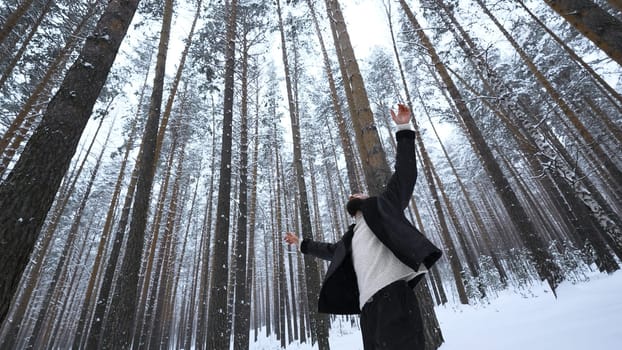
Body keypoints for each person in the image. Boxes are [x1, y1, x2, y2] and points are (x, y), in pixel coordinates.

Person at [284, 103, 442, 350]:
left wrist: (403, 127)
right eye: (351, 195)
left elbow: (405, 174)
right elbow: (328, 250)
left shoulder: (383, 208)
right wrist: (300, 242)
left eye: (358, 193)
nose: (352, 195)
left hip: (393, 294)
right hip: (367, 308)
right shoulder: (351, 237)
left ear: (367, 198)